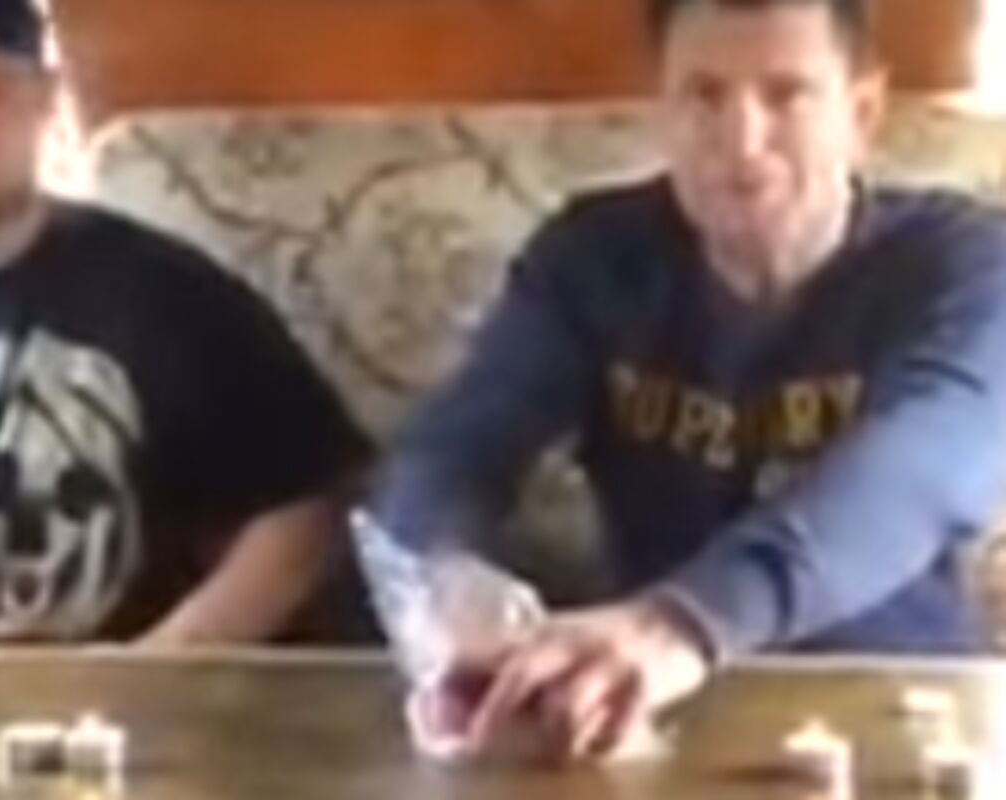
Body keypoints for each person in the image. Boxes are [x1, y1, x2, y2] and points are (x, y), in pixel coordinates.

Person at [371, 0, 1006, 760]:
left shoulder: (964, 265)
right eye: (704, 96)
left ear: (861, 113)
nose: (742, 141)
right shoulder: (590, 257)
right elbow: (454, 447)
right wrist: (446, 573)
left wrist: (680, 624)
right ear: (662, 111)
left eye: (786, 96)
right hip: (641, 719)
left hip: (900, 711)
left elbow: (917, 477)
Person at [0, 0, 370, 685]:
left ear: (43, 101)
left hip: (119, 726)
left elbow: (304, 514)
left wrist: (157, 671)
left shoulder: (168, 293)